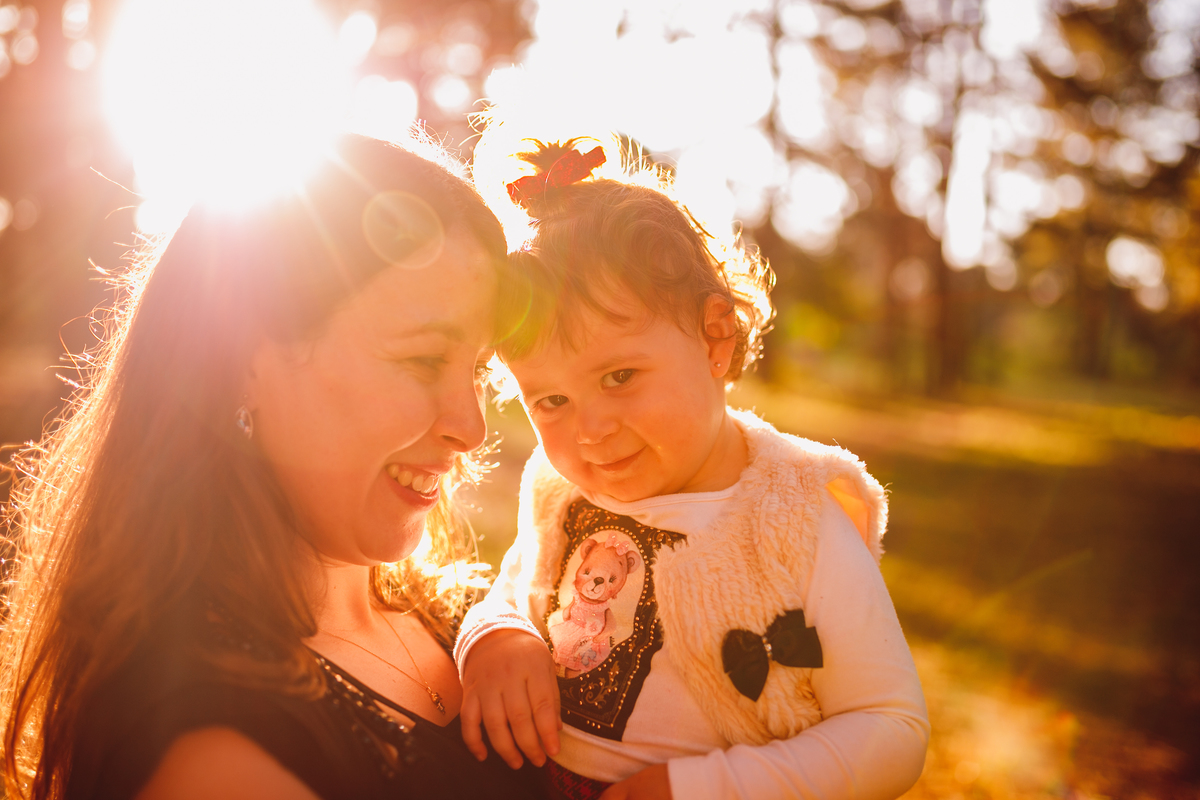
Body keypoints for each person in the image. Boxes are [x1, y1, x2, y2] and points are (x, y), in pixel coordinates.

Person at [0, 134, 543, 800]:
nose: (472, 427)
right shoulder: (210, 749)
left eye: (480, 371)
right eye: (423, 361)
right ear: (244, 363)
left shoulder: (484, 620)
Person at [453, 128, 931, 800]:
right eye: (552, 399)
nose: (590, 430)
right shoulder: (559, 490)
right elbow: (516, 588)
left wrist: (703, 789)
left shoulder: (793, 517)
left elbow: (891, 728)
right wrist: (494, 634)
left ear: (715, 335)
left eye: (620, 376)